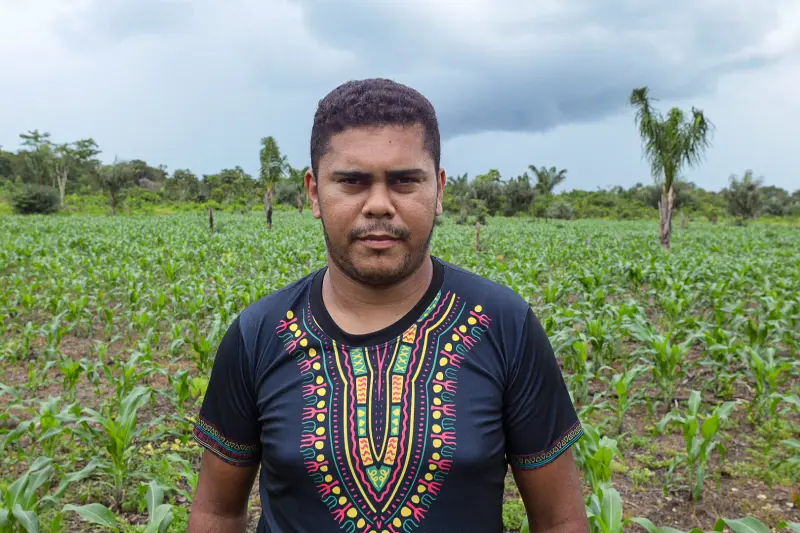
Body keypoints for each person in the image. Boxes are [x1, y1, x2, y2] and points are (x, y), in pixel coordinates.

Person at [187, 78, 588, 533]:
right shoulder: (259, 334)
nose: (379, 205)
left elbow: (560, 520)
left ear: (438, 189)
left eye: (404, 181)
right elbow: (217, 512)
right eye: (352, 182)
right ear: (314, 192)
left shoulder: (505, 325)